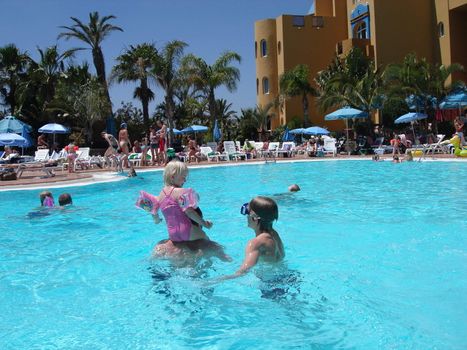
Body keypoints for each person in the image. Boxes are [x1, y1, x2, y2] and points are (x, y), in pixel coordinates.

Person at [136, 160, 229, 261]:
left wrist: (158, 220)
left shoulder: (159, 196)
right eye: (183, 177)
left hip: (173, 235)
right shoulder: (180, 193)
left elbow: (154, 215)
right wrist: (205, 224)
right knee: (208, 242)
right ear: (173, 176)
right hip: (189, 231)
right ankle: (222, 258)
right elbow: (189, 212)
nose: (185, 181)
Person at [221, 196, 284, 280]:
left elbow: (242, 272)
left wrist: (215, 280)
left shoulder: (256, 243)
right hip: (286, 276)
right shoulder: (274, 234)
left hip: (271, 284)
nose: (246, 216)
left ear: (254, 217)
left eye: (247, 212)